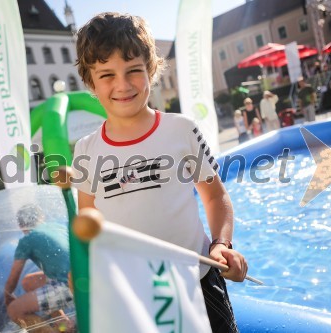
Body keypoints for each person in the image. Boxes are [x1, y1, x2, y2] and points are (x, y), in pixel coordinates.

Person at [72, 12, 247, 332]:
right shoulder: (86, 150)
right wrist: (84, 268)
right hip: (132, 297)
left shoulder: (181, 130)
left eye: (133, 70)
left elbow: (215, 196)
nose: (122, 85)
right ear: (90, 81)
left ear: (151, 69)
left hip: (199, 282)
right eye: (107, 74)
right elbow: (89, 227)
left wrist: (222, 245)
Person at [5, 204, 74, 332]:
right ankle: (64, 326)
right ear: (42, 217)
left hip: (68, 285)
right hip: (83, 277)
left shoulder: (27, 240)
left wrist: (7, 295)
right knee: (28, 282)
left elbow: (13, 278)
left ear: (21, 226)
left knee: (14, 310)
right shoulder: (57, 227)